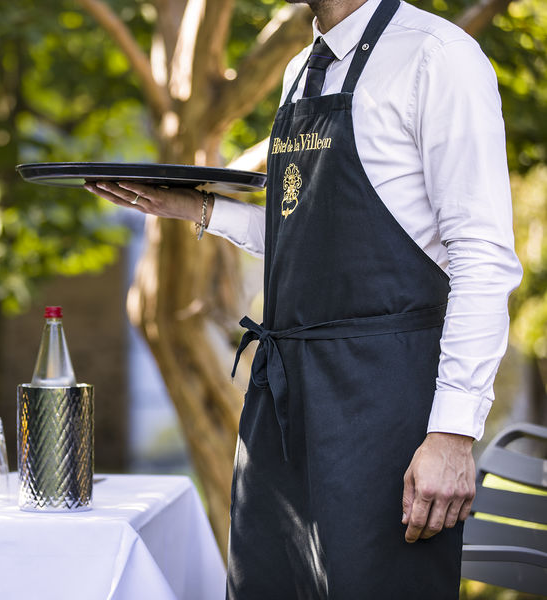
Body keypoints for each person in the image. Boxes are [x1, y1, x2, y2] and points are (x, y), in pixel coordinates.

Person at [86, 0, 523, 597]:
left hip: (385, 399)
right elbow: (309, 232)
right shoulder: (301, 69)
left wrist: (452, 433)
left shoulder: (438, 54)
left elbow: (483, 258)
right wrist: (195, 208)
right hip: (283, 398)